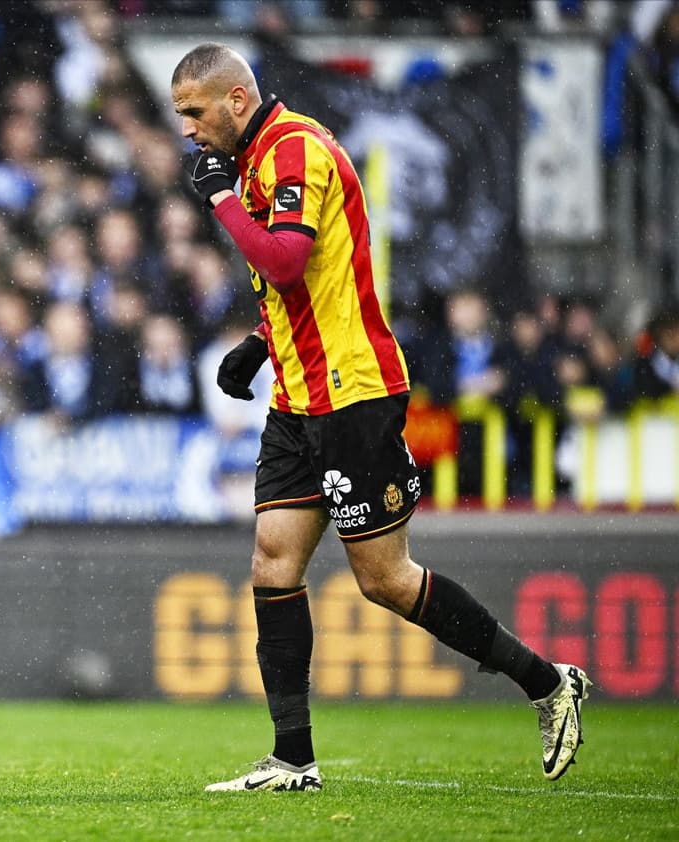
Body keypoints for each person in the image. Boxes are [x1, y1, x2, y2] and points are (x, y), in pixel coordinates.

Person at [170, 42, 590, 792]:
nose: (189, 133)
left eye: (195, 114)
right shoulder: (263, 158)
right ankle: (293, 758)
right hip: (300, 394)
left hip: (353, 391)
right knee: (272, 560)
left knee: (386, 581)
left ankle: (548, 683)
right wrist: (259, 344)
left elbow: (289, 261)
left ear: (236, 100)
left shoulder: (294, 152)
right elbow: (316, 281)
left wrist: (219, 201)